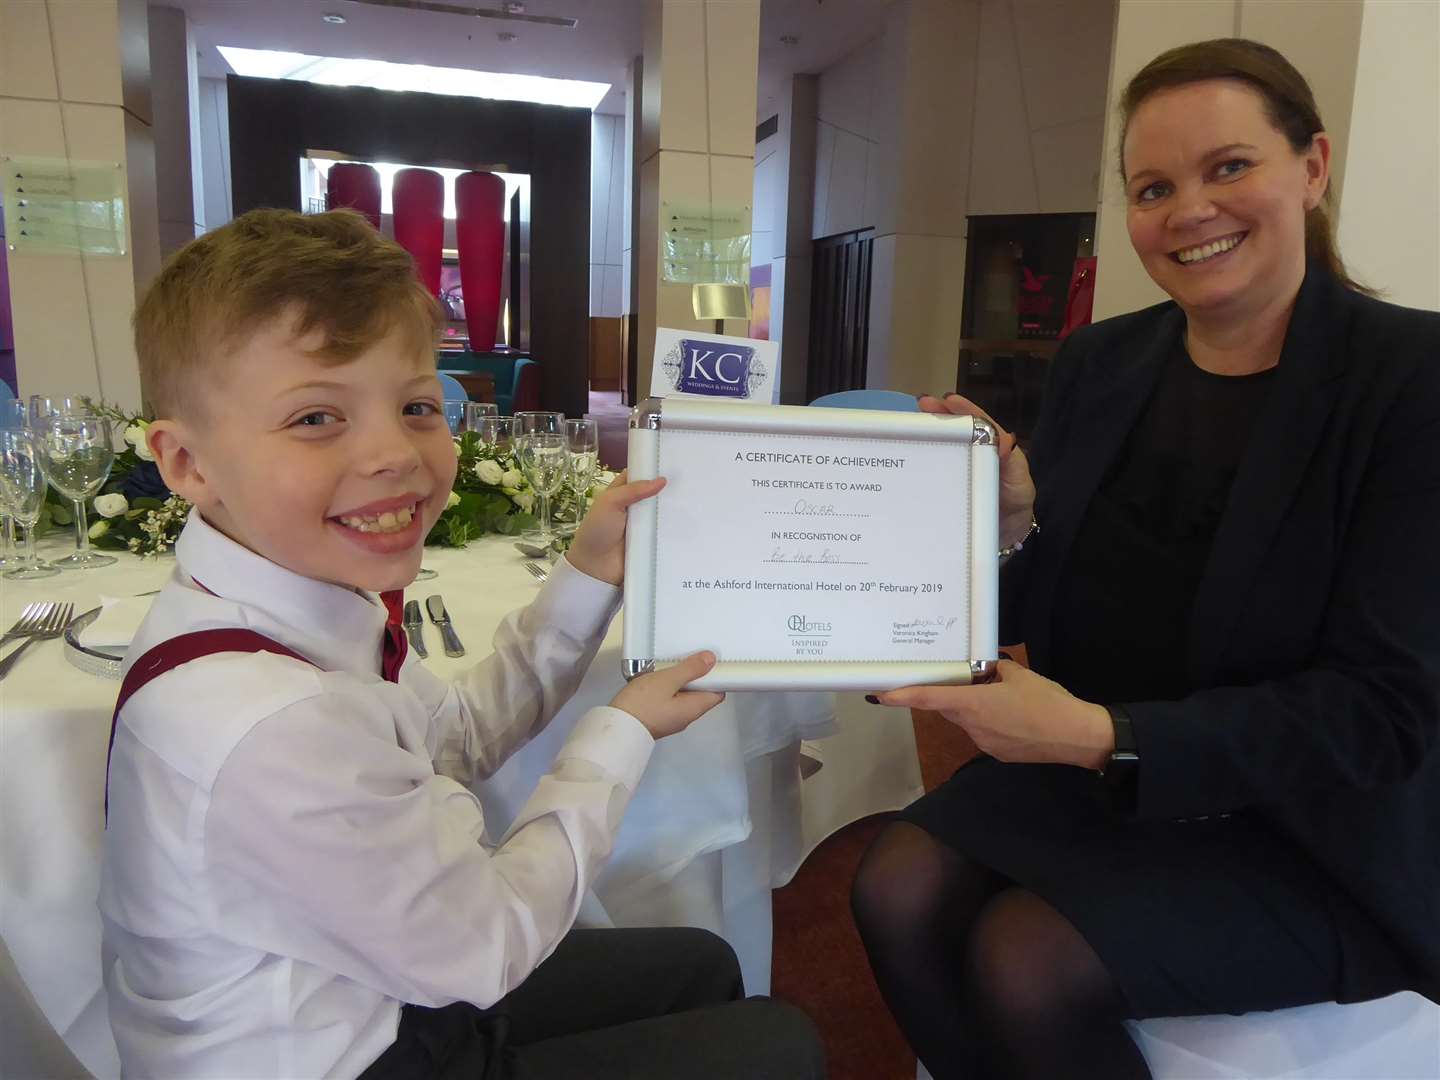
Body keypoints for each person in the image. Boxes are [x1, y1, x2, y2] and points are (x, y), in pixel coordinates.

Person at [100, 209, 825, 1080]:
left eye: (415, 406)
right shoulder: (270, 721)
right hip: (342, 1054)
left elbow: (457, 741)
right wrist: (620, 733)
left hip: (380, 980)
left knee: (704, 966)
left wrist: (588, 573)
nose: (394, 454)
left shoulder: (289, 608)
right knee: (780, 1045)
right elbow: (485, 948)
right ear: (186, 465)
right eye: (315, 419)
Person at [851, 38, 1440, 1080]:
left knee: (1026, 960)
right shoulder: (1101, 361)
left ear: (1312, 168)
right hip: (1111, 780)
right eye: (1153, 186)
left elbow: (1384, 712)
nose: (1189, 210)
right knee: (892, 883)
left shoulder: (1412, 381)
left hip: (1315, 822)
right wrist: (1014, 523)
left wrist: (1096, 735)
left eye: (1229, 167)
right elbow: (1056, 583)